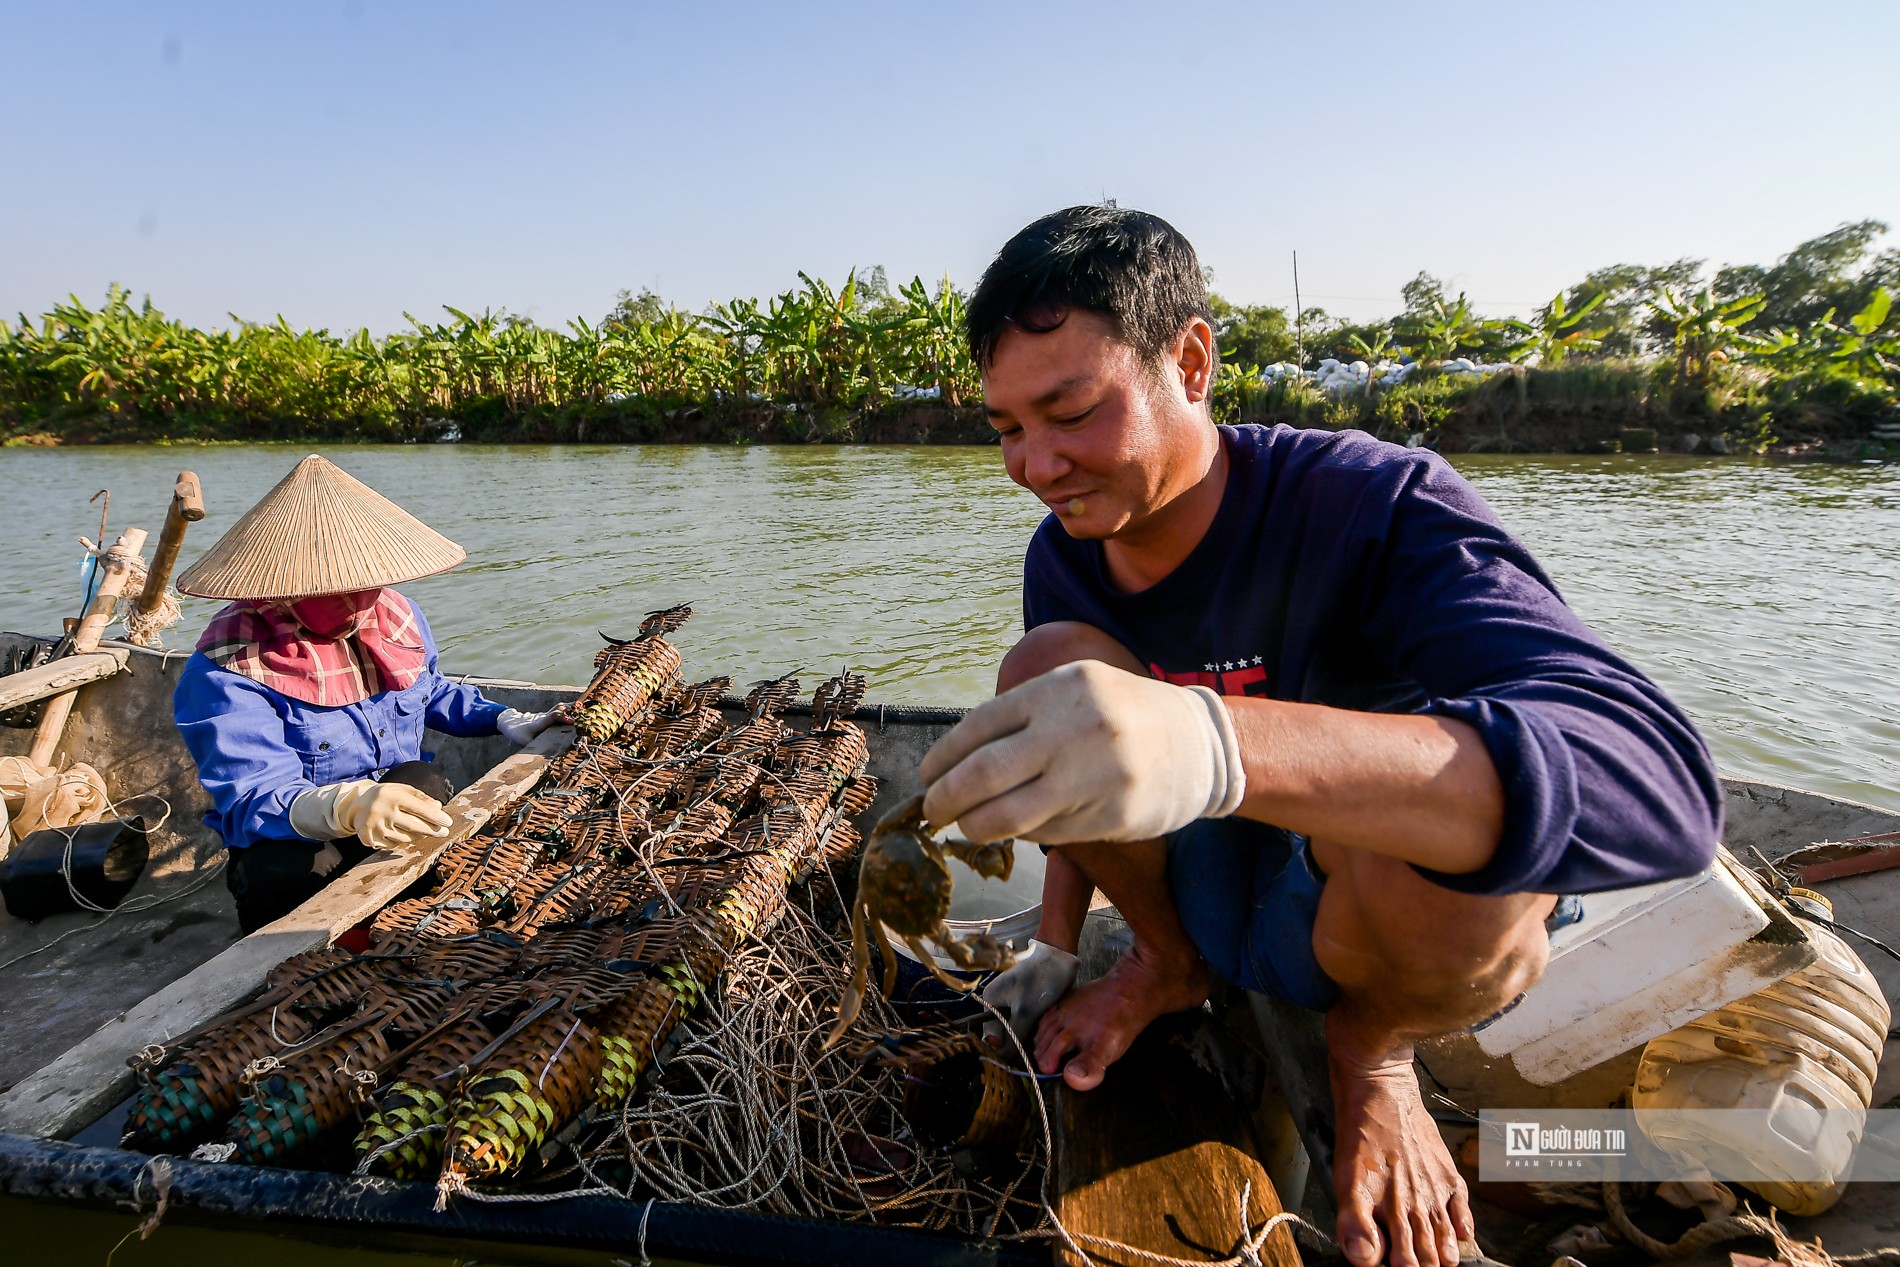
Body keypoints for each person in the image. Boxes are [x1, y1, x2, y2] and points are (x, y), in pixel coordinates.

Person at [918, 207, 1723, 1267]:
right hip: (1198, 893)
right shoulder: (1068, 549)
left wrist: (1214, 739)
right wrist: (1062, 945)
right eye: (1007, 428)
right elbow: (1070, 770)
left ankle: (1371, 1054)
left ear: (1191, 360)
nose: (1036, 464)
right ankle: (1165, 964)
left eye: (1070, 409)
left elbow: (1657, 784)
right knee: (1040, 674)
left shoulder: (1372, 503)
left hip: (1369, 920)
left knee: (1464, 843)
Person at [172, 454, 563, 934]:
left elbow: (427, 689)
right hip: (300, 827)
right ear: (283, 587)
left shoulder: (393, 614)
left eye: (366, 583)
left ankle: (412, 917)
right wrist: (346, 806)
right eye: (332, 588)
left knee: (423, 783)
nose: (359, 602)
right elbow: (256, 795)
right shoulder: (228, 669)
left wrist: (503, 719)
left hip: (389, 800)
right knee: (278, 871)